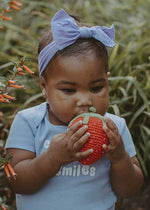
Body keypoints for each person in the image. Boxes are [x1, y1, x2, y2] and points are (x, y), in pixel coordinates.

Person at [5, 9, 143, 210]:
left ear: (107, 79)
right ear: (44, 86)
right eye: (69, 90)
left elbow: (129, 190)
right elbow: (15, 181)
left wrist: (120, 159)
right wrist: (51, 159)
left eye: (97, 88)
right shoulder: (29, 122)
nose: (85, 100)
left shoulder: (114, 128)